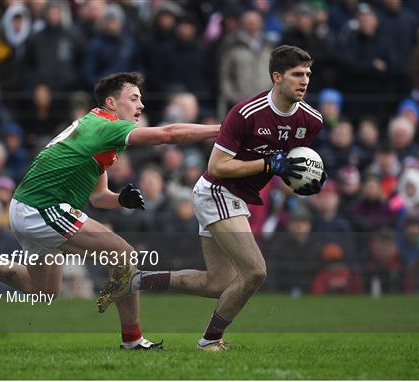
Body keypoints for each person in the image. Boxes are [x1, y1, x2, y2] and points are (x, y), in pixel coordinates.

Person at [0, 72, 219, 350]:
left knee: (44, 292)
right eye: (133, 98)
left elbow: (98, 197)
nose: (141, 105)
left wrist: (121, 200)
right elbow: (168, 134)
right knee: (125, 255)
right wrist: (223, 130)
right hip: (42, 207)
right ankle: (132, 339)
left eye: (141, 99)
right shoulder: (106, 126)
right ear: (111, 103)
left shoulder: (94, 128)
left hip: (28, 207)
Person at [101, 46, 326, 351]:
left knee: (217, 283)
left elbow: (288, 168)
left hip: (239, 197)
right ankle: (210, 341)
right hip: (217, 190)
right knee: (255, 271)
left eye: (308, 74)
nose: (305, 80)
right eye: (297, 74)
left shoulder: (311, 120)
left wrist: (306, 183)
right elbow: (217, 166)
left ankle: (135, 281)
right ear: (276, 77)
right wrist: (268, 165)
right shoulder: (245, 113)